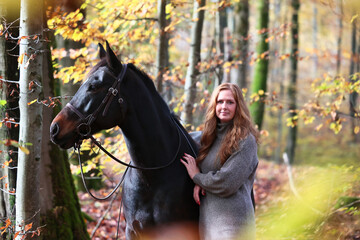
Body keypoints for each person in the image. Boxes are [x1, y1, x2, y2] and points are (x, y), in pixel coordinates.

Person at [181, 83, 260, 240]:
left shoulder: (245, 140)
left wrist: (197, 177)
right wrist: (200, 182)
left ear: (239, 107)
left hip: (233, 226)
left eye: (230, 102)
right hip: (208, 225)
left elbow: (227, 182)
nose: (224, 106)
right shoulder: (206, 138)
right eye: (220, 101)